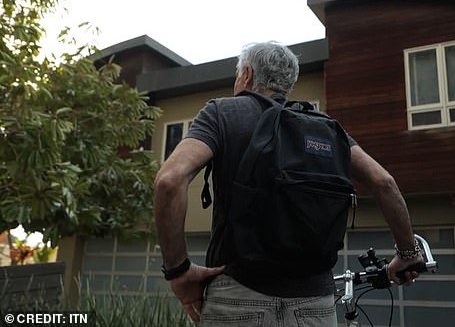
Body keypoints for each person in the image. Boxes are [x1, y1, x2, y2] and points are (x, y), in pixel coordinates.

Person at [153, 41, 423, 326]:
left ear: (246, 75)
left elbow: (169, 180)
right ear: (288, 83)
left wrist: (178, 271)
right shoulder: (325, 128)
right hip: (315, 305)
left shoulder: (223, 113)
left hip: (238, 295)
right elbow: (384, 182)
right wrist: (408, 253)